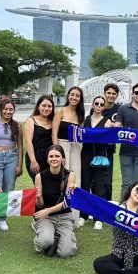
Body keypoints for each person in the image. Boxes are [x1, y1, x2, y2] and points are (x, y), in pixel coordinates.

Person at [0, 98, 23, 234]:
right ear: (1, 110)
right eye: (5, 109)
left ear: (13, 110)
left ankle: (2, 218)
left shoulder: (17, 126)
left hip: (12, 158)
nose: (8, 111)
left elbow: (20, 146)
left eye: (10, 109)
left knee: (8, 188)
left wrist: (20, 165)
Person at [32, 144, 77, 258]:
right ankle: (45, 232)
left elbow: (67, 202)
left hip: (64, 217)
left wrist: (48, 210)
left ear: (63, 159)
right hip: (45, 217)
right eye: (51, 156)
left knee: (66, 252)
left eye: (57, 156)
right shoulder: (39, 177)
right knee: (43, 243)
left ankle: (58, 235)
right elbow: (40, 205)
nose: (54, 159)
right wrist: (38, 198)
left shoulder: (70, 175)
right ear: (47, 159)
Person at [52, 86, 85, 226]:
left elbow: (81, 135)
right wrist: (58, 152)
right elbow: (54, 133)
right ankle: (55, 214)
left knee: (74, 180)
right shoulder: (60, 112)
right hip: (62, 147)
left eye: (77, 96)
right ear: (68, 96)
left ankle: (72, 217)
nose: (74, 98)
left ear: (80, 98)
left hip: (75, 148)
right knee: (60, 180)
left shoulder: (80, 115)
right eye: (72, 95)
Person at [79, 96, 111, 230]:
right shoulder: (85, 119)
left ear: (103, 107)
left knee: (99, 186)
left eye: (101, 104)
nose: (98, 105)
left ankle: (99, 217)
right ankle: (84, 215)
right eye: (96, 103)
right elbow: (79, 135)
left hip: (100, 155)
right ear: (92, 105)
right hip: (86, 154)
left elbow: (109, 140)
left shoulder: (107, 121)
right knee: (85, 184)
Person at [24, 95, 54, 183]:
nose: (46, 108)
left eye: (49, 106)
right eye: (43, 105)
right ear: (38, 106)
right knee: (39, 186)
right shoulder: (31, 120)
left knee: (50, 186)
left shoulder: (53, 121)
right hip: (35, 157)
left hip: (49, 159)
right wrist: (33, 161)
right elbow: (28, 141)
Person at [101, 83, 121, 201]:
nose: (111, 95)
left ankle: (107, 205)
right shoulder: (97, 106)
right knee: (94, 180)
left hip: (109, 149)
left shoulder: (120, 109)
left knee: (108, 180)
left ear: (117, 95)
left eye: (114, 93)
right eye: (108, 93)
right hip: (95, 148)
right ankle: (93, 208)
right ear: (104, 93)